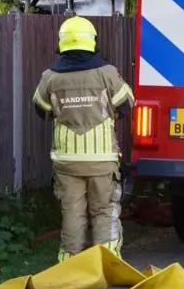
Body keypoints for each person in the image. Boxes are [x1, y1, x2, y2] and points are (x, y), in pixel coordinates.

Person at [32, 16, 134, 262]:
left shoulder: (50, 77)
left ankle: (69, 265)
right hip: (101, 160)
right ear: (92, 41)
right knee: (104, 211)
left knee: (72, 213)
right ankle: (106, 263)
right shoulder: (107, 73)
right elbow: (126, 104)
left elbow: (40, 110)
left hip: (67, 161)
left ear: (62, 42)